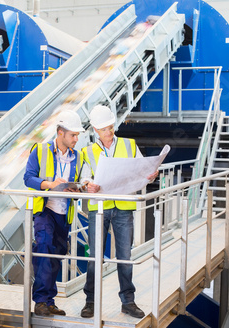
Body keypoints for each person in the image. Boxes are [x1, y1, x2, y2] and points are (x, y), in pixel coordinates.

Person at [80, 105, 159, 319]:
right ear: (96, 130)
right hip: (99, 208)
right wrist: (89, 184)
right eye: (104, 129)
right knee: (95, 258)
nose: (109, 131)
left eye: (111, 127)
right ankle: (91, 302)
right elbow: (84, 178)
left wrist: (150, 174)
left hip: (123, 207)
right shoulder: (87, 151)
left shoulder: (128, 145)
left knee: (125, 256)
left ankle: (128, 302)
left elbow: (143, 168)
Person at [23, 109, 85, 316]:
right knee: (43, 249)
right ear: (60, 133)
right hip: (45, 210)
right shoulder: (40, 150)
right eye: (73, 135)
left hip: (64, 214)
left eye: (77, 135)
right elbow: (28, 178)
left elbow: (81, 184)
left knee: (57, 254)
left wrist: (77, 188)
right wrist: (50, 184)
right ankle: (40, 301)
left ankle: (49, 301)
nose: (76, 139)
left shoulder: (79, 156)